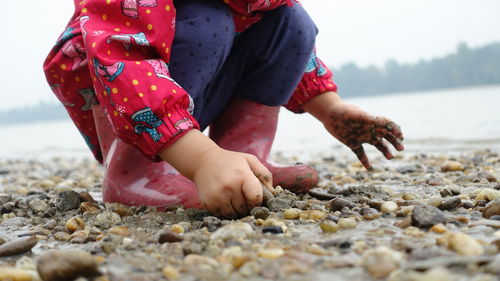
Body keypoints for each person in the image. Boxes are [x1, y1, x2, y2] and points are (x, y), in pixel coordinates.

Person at [43, 0, 404, 218]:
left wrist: (329, 107)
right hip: (119, 92)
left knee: (290, 20)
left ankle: (245, 161)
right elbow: (124, 60)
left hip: (191, 86)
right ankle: (133, 173)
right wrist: (201, 160)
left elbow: (276, 39)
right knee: (207, 22)